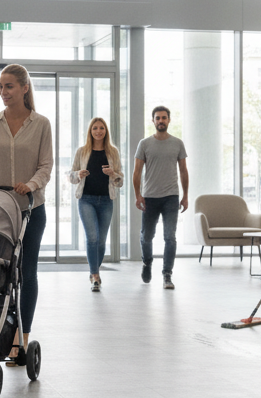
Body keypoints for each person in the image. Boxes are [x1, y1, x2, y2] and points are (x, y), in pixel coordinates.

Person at [0, 64, 53, 364]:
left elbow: (46, 166)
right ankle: (6, 331)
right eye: (0, 87)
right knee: (2, 274)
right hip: (0, 213)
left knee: (27, 272)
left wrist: (30, 185)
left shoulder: (41, 124)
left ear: (24, 88)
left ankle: (22, 337)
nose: (3, 92)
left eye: (9, 86)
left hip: (31, 210)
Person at [133, 106, 189, 290]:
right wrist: (138, 195)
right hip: (150, 197)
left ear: (169, 120)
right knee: (146, 236)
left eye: (164, 118)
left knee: (170, 237)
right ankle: (147, 262)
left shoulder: (177, 143)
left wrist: (185, 196)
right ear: (153, 121)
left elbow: (183, 171)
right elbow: (137, 172)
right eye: (157, 118)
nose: (161, 121)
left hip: (171, 197)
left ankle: (167, 274)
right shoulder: (144, 144)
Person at [69, 117, 123, 291]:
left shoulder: (113, 152)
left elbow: (120, 180)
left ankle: (94, 271)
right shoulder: (82, 151)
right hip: (86, 200)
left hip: (106, 201)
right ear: (90, 131)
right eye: (95, 128)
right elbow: (71, 176)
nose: (98, 131)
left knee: (101, 241)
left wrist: (113, 174)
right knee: (92, 238)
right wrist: (78, 174)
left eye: (101, 128)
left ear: (106, 131)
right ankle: (95, 275)